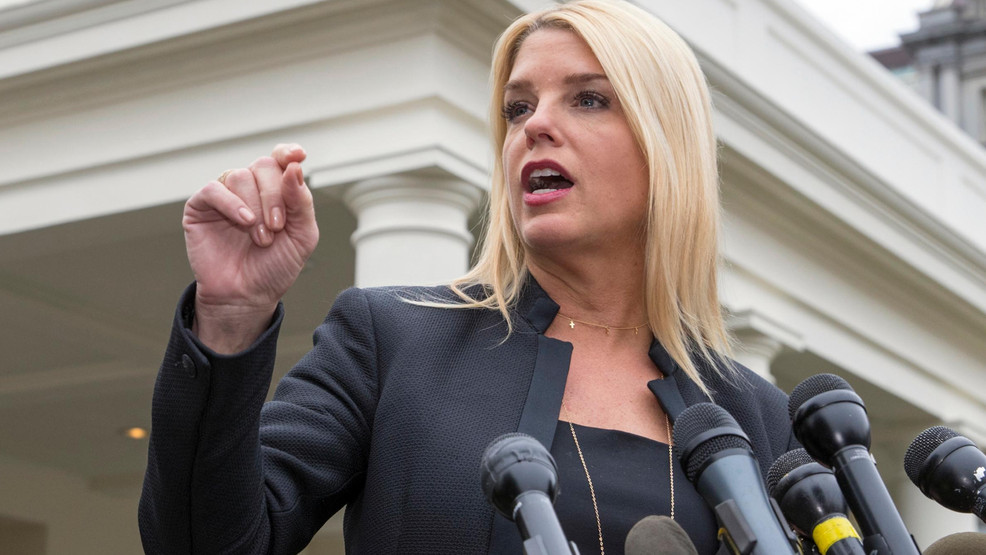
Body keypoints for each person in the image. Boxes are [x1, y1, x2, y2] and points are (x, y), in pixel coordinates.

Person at [138, 1, 797, 553]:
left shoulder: (759, 416)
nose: (535, 125)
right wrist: (228, 315)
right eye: (517, 109)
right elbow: (203, 541)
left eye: (589, 98)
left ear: (666, 145)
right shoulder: (389, 341)